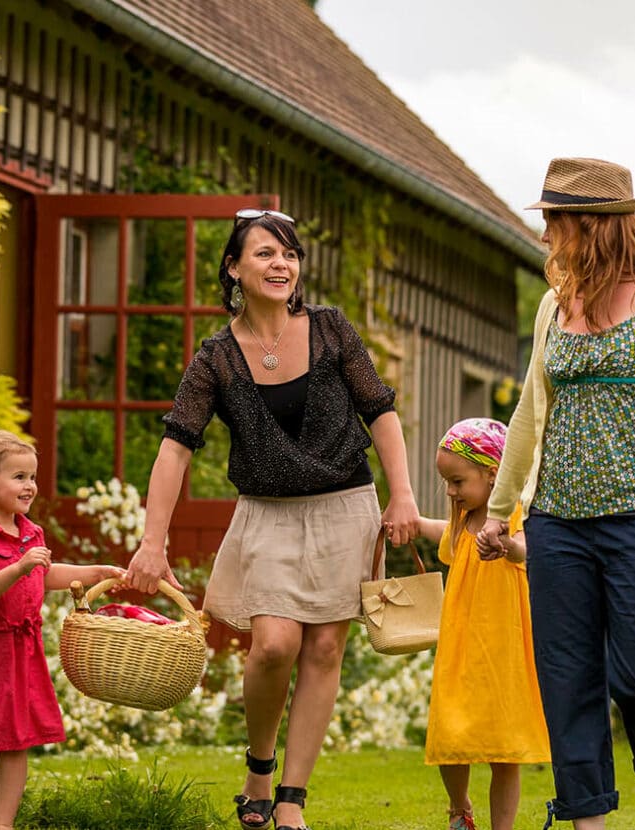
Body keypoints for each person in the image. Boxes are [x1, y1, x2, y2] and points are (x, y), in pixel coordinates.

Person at [123, 209, 422, 830]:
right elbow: (175, 447)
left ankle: (290, 800)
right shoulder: (216, 357)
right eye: (264, 254)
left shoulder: (331, 330)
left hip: (346, 507)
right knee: (274, 645)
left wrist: (403, 496)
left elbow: (381, 413)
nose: (280, 264)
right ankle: (260, 765)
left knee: (323, 649)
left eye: (289, 254)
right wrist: (153, 542)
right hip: (267, 516)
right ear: (234, 268)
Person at [481, 157, 635, 830]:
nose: (548, 237)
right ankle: (587, 821)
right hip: (558, 521)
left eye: (554, 223)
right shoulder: (555, 305)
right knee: (567, 678)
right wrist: (503, 511)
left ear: (591, 225)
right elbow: (530, 408)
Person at [0, 430, 126, 830]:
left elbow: (46, 574)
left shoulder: (31, 533)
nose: (29, 485)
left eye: (32, 476)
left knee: (15, 742)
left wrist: (96, 571)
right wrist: (19, 567)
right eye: (19, 477)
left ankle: (2, 824)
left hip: (22, 650)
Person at [416, 417, 549, 830]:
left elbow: (530, 551)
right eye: (448, 484)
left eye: (458, 482)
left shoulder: (513, 515)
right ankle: (460, 808)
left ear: (493, 474)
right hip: (461, 647)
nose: (452, 493)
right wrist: (415, 524)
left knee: (503, 748)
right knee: (451, 737)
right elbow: (446, 537)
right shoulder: (461, 521)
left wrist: (507, 547)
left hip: (502, 649)